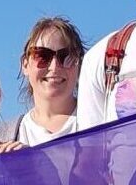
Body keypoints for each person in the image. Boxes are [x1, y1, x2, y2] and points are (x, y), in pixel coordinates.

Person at [8, 17, 85, 145]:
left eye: (66, 56)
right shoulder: (4, 137)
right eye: (42, 56)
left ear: (80, 65)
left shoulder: (102, 121)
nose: (54, 66)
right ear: (25, 65)